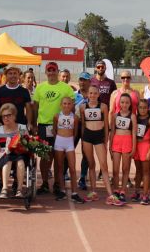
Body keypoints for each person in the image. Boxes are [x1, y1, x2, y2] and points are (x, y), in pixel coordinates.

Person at [32, 62, 75, 195]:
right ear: (46, 72)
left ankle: (57, 183)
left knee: (59, 157)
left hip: (62, 127)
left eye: (53, 70)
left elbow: (72, 108)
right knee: (45, 157)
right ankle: (44, 183)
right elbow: (35, 107)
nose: (51, 73)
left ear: (57, 71)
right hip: (44, 126)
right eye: (49, 70)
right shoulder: (40, 88)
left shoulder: (66, 88)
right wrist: (34, 124)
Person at [78, 86, 116, 204]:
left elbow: (106, 125)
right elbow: (83, 125)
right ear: (87, 95)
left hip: (99, 137)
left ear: (98, 94)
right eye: (90, 93)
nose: (93, 95)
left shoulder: (103, 106)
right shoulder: (82, 107)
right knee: (91, 164)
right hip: (87, 137)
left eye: (95, 93)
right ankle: (93, 191)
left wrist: (105, 140)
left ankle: (110, 193)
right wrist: (83, 141)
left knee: (103, 165)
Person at [0, 104, 28, 198]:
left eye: (8, 115)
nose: (6, 118)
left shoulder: (21, 128)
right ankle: (4, 189)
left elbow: (28, 144)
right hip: (3, 153)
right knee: (7, 160)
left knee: (20, 161)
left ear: (14, 116)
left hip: (18, 153)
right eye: (4, 116)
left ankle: (19, 190)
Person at [53, 97, 84, 203]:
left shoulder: (75, 117)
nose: (66, 105)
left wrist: (70, 140)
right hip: (59, 142)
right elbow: (54, 130)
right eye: (64, 103)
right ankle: (62, 191)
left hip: (69, 142)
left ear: (72, 105)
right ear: (61, 105)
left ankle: (74, 193)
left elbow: (75, 132)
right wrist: (59, 139)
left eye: (69, 104)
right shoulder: (57, 116)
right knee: (60, 167)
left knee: (72, 168)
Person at [109, 93, 136, 205]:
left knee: (125, 169)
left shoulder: (132, 116)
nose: (124, 104)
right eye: (122, 102)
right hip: (116, 142)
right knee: (115, 169)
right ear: (119, 103)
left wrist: (133, 147)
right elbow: (112, 132)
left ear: (130, 104)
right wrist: (110, 146)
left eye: (127, 102)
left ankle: (123, 191)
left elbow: (134, 133)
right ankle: (116, 190)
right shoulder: (115, 116)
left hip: (127, 141)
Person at [132, 99, 150, 205]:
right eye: (140, 107)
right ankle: (137, 191)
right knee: (138, 171)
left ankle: (145, 194)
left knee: (146, 172)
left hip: (145, 146)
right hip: (136, 146)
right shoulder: (135, 118)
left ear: (148, 108)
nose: (142, 109)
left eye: (145, 107)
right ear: (137, 108)